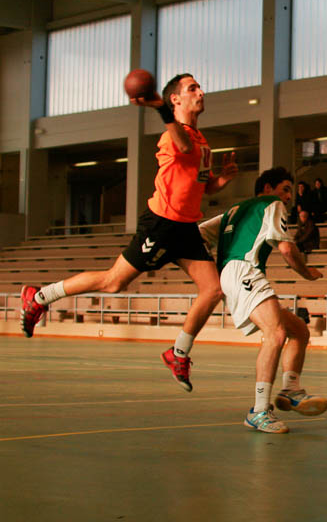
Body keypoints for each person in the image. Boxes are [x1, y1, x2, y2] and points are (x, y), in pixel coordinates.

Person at [20, 73, 237, 392]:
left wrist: (224, 179)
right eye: (192, 88)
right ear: (175, 99)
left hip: (186, 226)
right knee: (114, 282)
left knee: (213, 290)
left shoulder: (202, 141)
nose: (201, 92)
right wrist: (160, 109)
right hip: (162, 224)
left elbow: (202, 186)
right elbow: (180, 142)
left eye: (199, 86)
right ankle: (38, 297)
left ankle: (177, 352)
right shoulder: (174, 136)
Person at [198, 167, 327, 434]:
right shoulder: (273, 204)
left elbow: (198, 233)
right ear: (267, 189)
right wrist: (307, 272)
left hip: (231, 273)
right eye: (285, 189)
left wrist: (211, 271)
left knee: (298, 331)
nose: (289, 197)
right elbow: (287, 250)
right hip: (244, 270)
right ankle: (258, 411)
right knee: (276, 333)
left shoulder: (236, 210)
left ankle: (291, 390)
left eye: (290, 191)